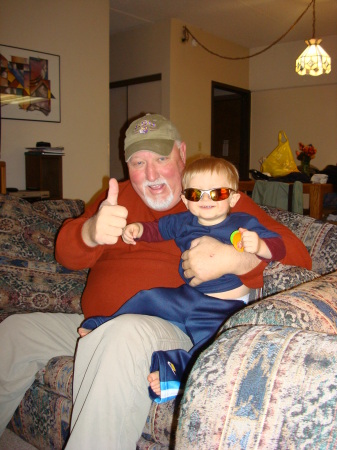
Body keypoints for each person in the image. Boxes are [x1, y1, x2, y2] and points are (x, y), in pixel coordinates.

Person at [0, 114, 312, 450]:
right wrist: (90, 232)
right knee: (15, 332)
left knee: (123, 335)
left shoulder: (212, 199)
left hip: (168, 325)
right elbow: (66, 255)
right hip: (94, 323)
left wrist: (235, 257)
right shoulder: (114, 200)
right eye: (138, 162)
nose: (151, 174)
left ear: (181, 153)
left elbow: (298, 254)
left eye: (161, 159)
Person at [78, 157, 286, 403]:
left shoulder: (243, 224)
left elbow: (280, 248)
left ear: (233, 198)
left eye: (217, 193)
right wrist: (138, 230)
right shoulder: (183, 222)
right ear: (186, 199)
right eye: (197, 194)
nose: (206, 200)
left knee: (210, 348)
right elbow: (157, 229)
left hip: (222, 309)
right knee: (149, 296)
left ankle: (177, 374)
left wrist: (260, 246)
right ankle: (107, 324)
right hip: (187, 297)